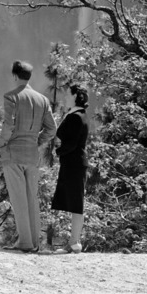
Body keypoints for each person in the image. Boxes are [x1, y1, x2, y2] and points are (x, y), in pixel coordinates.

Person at [0, 59, 56, 252]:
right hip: (32, 155)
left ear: (15, 76)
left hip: (13, 152)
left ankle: (24, 242)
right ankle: (34, 242)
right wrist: (37, 142)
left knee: (18, 198)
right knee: (32, 197)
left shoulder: (11, 97)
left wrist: (2, 143)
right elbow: (51, 129)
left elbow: (8, 124)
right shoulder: (42, 99)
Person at [48, 85, 89, 252]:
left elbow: (71, 143)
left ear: (74, 96)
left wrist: (57, 151)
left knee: (76, 203)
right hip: (75, 163)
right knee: (75, 202)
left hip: (74, 163)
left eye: (68, 94)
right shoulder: (79, 114)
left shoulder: (75, 117)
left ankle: (74, 242)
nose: (65, 96)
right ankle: (74, 241)